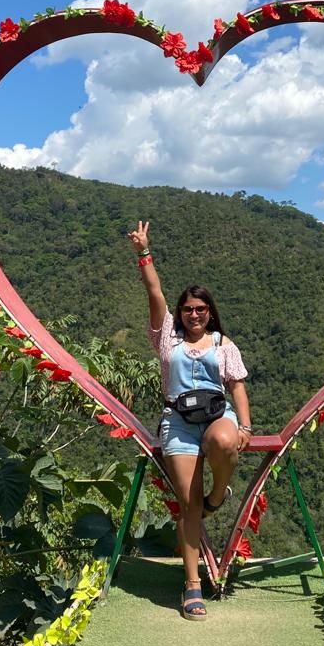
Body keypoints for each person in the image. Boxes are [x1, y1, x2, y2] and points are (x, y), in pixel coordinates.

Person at [127, 221, 252, 621]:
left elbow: (236, 387)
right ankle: (192, 584)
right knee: (188, 504)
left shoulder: (222, 344)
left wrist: (246, 427)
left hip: (218, 415)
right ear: (180, 313)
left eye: (201, 309)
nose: (194, 315)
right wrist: (144, 252)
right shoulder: (167, 338)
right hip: (177, 421)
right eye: (188, 309)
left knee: (224, 442)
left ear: (210, 313)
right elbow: (154, 292)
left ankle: (220, 493)